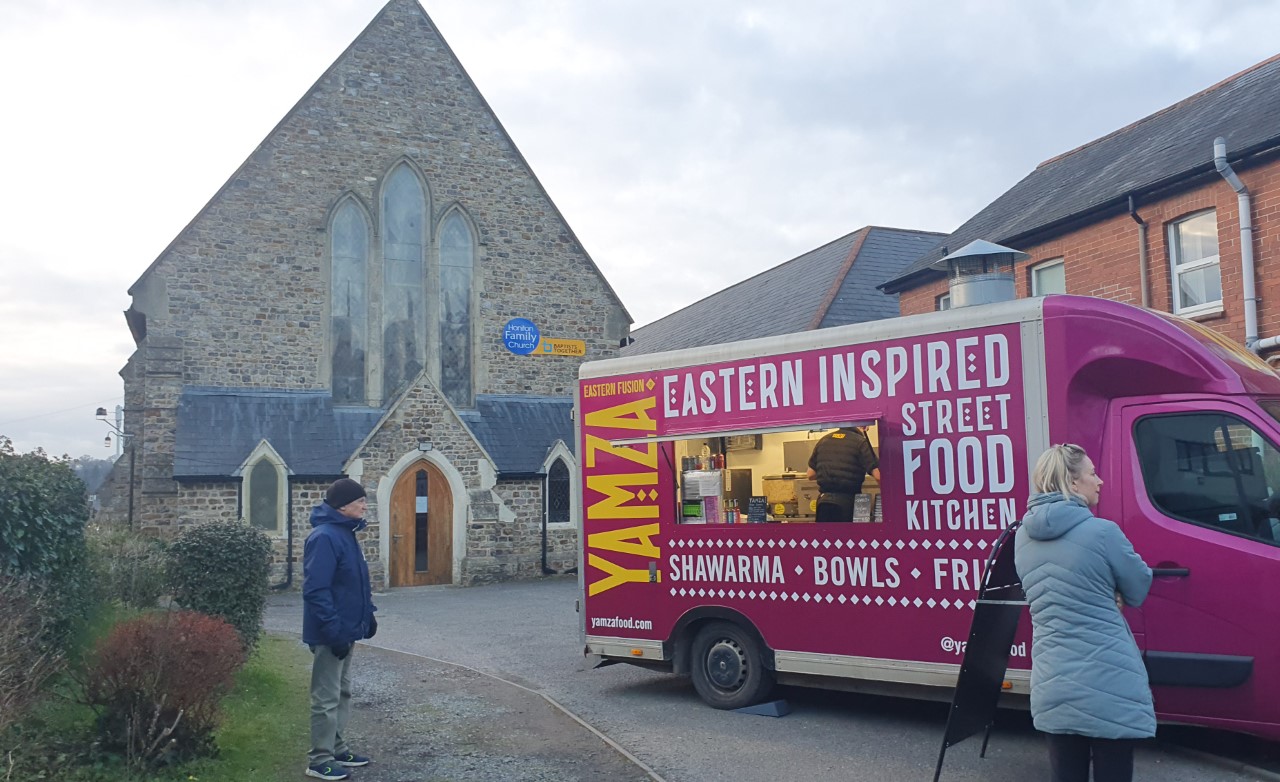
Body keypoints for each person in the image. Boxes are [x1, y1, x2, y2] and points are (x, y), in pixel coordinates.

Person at [1014, 444, 1154, 782]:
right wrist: (1112, 592)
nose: (1100, 481)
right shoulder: (1103, 532)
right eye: (1092, 473)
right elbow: (1138, 588)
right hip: (1108, 680)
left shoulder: (1022, 538)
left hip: (1052, 679)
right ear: (1073, 483)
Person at [302, 478, 378, 781]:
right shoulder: (324, 537)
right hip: (329, 634)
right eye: (360, 501)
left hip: (346, 631)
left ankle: (336, 747)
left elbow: (354, 583)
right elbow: (317, 590)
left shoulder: (346, 534)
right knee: (326, 696)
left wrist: (368, 616)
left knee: (342, 692)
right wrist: (333, 632)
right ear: (343, 505)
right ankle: (319, 760)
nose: (364, 505)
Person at [806, 426, 880, 522]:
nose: (867, 429)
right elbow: (878, 476)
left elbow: (810, 474)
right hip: (847, 503)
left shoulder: (823, 440)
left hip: (824, 502)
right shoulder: (861, 442)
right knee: (845, 536)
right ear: (862, 426)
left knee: (825, 536)